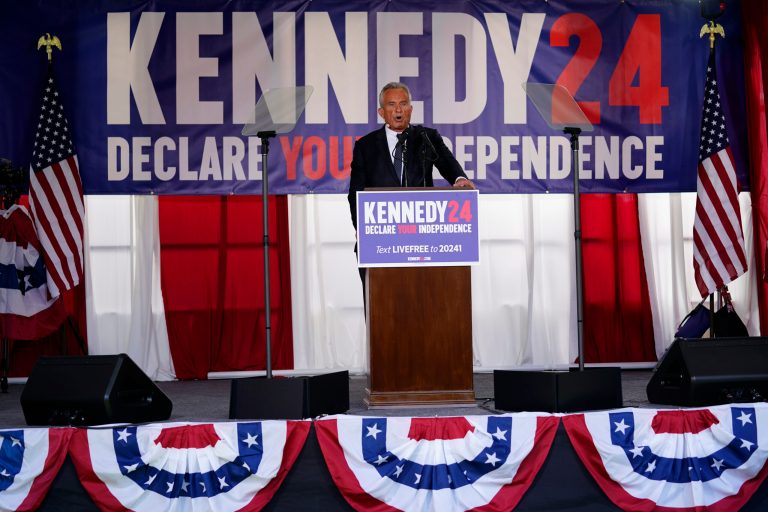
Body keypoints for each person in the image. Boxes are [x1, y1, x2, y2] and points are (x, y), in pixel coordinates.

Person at [347, 81, 475, 295]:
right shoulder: (365, 146)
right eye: (391, 104)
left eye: (403, 104)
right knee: (383, 305)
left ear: (410, 109)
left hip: (423, 244)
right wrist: (361, 227)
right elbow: (355, 193)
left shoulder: (426, 137)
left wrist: (459, 178)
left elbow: (445, 161)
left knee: (424, 302)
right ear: (381, 112)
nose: (398, 109)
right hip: (380, 242)